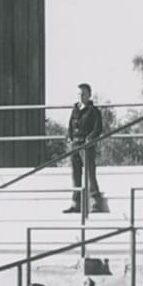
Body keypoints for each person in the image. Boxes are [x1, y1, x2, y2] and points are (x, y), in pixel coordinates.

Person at [64, 83, 108, 214]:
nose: (80, 96)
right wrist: (70, 137)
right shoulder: (75, 110)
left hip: (86, 146)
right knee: (76, 174)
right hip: (75, 145)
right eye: (79, 94)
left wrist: (90, 138)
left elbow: (98, 128)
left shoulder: (93, 111)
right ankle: (76, 203)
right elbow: (70, 125)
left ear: (89, 95)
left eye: (83, 94)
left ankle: (95, 201)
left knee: (90, 173)